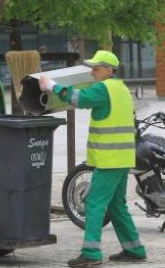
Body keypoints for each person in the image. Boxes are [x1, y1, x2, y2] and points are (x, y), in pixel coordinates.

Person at [39, 50, 147, 267]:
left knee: (94, 203)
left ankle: (91, 254)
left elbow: (78, 98)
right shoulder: (121, 88)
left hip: (110, 160)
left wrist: (51, 85)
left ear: (109, 70)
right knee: (116, 205)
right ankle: (134, 249)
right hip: (122, 158)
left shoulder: (103, 88)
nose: (92, 72)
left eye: (96, 68)